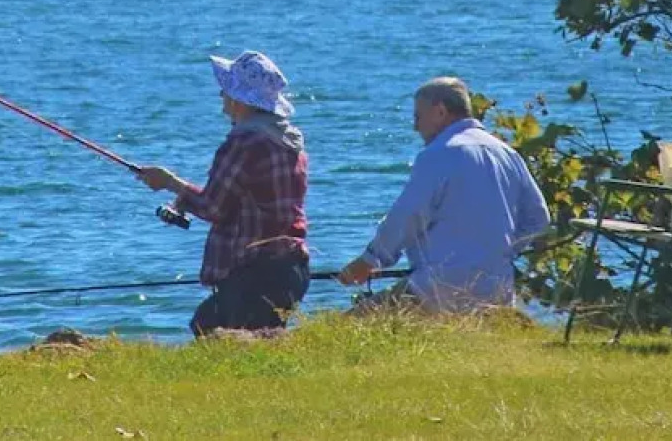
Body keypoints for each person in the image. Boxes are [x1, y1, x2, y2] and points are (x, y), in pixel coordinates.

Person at [337, 76, 550, 312]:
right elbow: (538, 218)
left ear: (440, 112)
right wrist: (501, 253)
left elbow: (408, 215)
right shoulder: (506, 153)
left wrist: (371, 259)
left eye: (418, 117)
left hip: (438, 288)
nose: (415, 126)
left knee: (345, 331)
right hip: (497, 291)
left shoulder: (439, 153)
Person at [138, 50, 311, 336]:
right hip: (291, 270)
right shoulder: (290, 143)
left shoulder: (243, 143)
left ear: (239, 100)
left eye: (225, 90)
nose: (221, 96)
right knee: (223, 329)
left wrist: (169, 181)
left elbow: (213, 207)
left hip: (254, 274)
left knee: (210, 330)